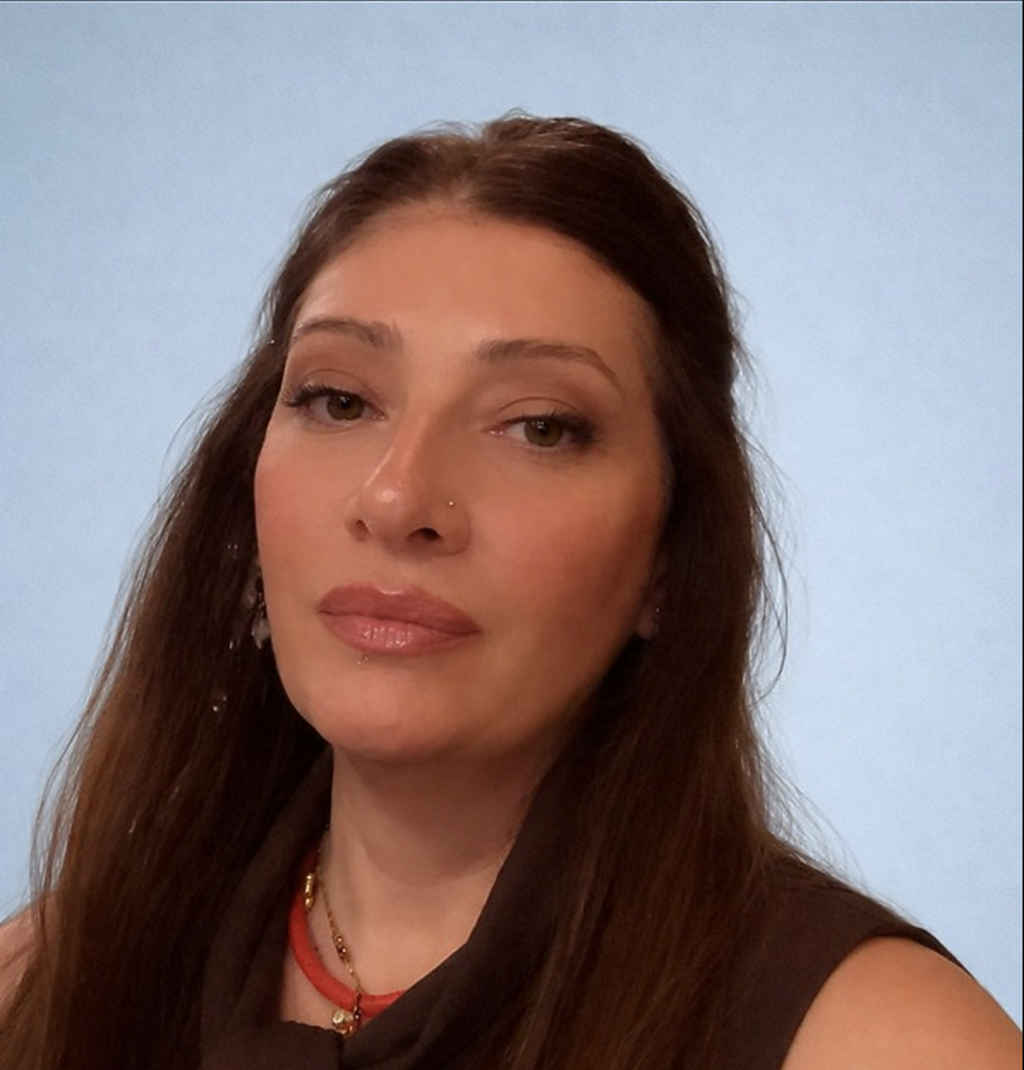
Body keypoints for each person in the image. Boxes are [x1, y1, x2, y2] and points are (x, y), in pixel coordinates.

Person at [0, 115, 1018, 1070]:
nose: (397, 499)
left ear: (672, 556)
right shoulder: (45, 986)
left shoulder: (884, 1039)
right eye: (339, 400)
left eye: (539, 426)